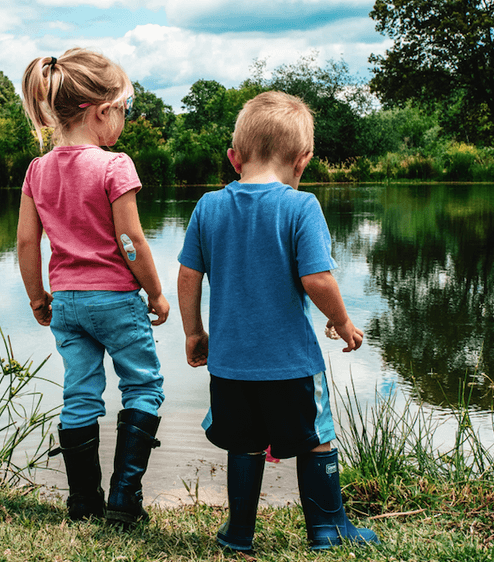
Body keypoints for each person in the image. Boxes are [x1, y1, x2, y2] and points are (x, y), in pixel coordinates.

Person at [177, 91, 380, 552]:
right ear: (303, 160)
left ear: (234, 158)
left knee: (244, 444)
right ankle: (327, 529)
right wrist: (343, 322)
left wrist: (194, 332)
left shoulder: (208, 207)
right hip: (291, 364)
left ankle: (239, 534)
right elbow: (317, 278)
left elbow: (188, 276)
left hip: (229, 365)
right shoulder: (300, 206)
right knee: (316, 438)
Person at [17, 48, 169, 524]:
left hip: (66, 302)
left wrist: (37, 296)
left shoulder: (38, 169)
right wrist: (157, 292)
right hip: (115, 300)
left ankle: (83, 502)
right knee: (143, 386)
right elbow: (130, 239)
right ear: (102, 111)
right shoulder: (113, 165)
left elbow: (26, 241)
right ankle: (124, 500)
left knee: (80, 394)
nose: (123, 121)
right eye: (123, 110)